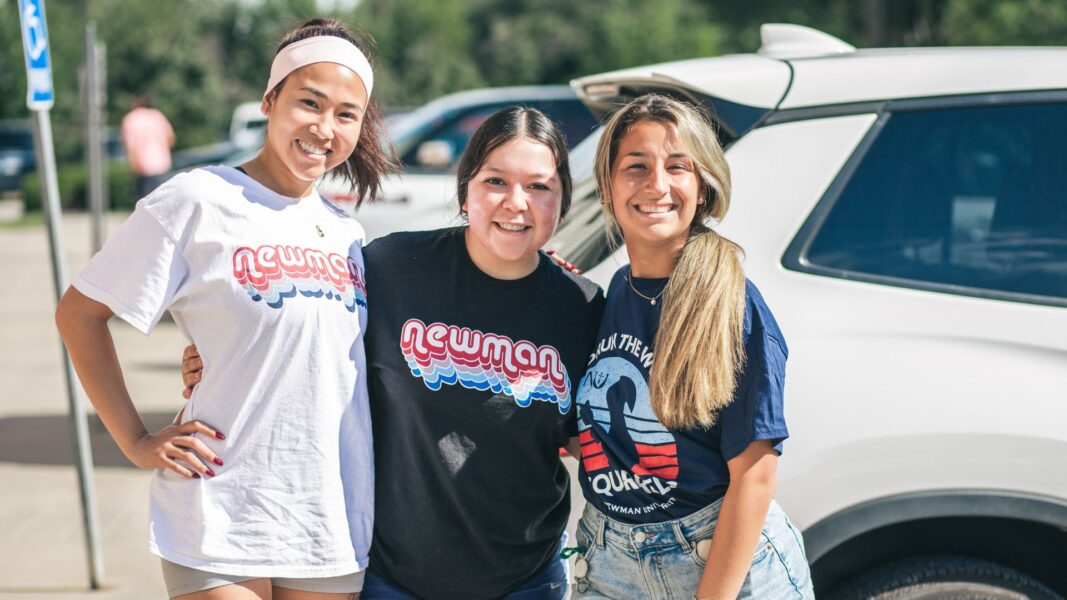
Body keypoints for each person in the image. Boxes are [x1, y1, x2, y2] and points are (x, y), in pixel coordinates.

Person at [184, 106, 604, 599]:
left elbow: (596, 435)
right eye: (496, 181)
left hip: (527, 582)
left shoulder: (582, 307)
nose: (516, 203)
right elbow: (300, 335)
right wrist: (216, 354)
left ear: (562, 199)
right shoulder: (392, 268)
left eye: (539, 187)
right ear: (465, 187)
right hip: (393, 576)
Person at [56, 18, 396, 600]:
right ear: (269, 100)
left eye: (346, 114)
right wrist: (136, 440)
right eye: (308, 102)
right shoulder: (196, 199)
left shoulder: (347, 233)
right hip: (219, 504)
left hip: (326, 515)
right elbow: (79, 315)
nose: (324, 127)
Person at [569, 94, 815, 599]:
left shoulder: (731, 303)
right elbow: (601, 440)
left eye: (677, 167)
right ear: (608, 188)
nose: (656, 185)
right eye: (636, 167)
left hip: (722, 565)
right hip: (611, 561)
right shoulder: (615, 291)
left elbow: (755, 476)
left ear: (702, 188)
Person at [121, 95, 176, 198]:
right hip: (161, 164)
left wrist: (131, 164)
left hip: (142, 166)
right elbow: (171, 139)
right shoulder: (158, 116)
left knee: (144, 202)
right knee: (161, 200)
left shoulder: (131, 119)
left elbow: (130, 145)